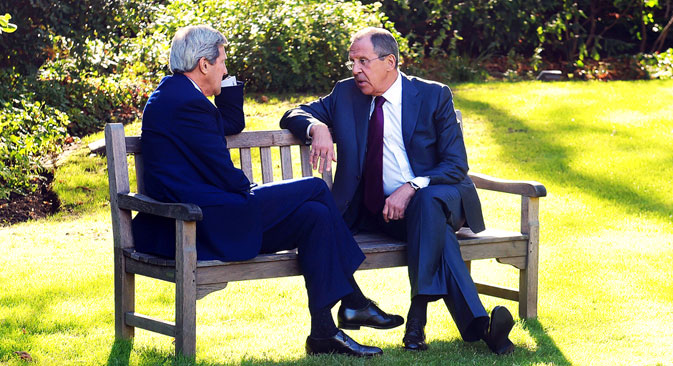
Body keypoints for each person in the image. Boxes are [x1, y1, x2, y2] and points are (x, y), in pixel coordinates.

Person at [131, 25, 404, 358]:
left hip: (209, 213)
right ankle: (355, 301)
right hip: (198, 222)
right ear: (204, 65)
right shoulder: (186, 103)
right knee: (317, 188)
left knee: (315, 215)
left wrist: (224, 84)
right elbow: (221, 172)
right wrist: (250, 190)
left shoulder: (177, 94)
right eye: (222, 62)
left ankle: (324, 334)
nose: (226, 69)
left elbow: (228, 124)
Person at [280, 27, 516, 355]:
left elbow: (455, 165)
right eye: (352, 62)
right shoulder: (346, 94)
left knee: (427, 203)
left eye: (363, 61)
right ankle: (480, 327)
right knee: (435, 233)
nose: (355, 69)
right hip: (378, 213)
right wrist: (316, 126)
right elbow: (292, 113)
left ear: (390, 62)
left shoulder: (433, 95)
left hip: (440, 194)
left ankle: (416, 320)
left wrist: (411, 186)